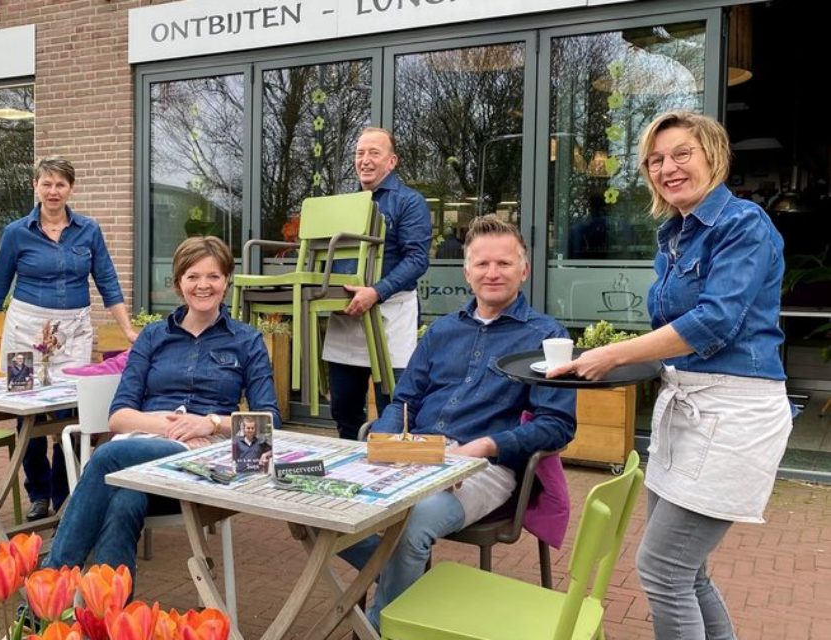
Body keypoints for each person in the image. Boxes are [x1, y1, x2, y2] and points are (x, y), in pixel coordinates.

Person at [548, 110, 792, 639]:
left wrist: (612, 355)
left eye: (682, 153)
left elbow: (714, 322)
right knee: (688, 571)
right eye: (655, 160)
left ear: (713, 154)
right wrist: (598, 367)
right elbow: (672, 337)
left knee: (662, 570)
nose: (667, 167)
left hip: (733, 413)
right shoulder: (672, 236)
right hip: (685, 411)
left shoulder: (743, 223)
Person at [340, 215, 576, 629]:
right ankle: (410, 580)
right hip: (414, 455)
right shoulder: (442, 331)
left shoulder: (545, 335)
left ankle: (381, 628)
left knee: (414, 522)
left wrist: (484, 446)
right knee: (313, 510)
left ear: (524, 270)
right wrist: (386, 436)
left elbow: (557, 424)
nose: (492, 273)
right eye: (482, 264)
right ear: (466, 272)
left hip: (484, 467)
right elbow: (405, 399)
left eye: (504, 263)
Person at [45, 236, 279, 575]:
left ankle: (51, 582)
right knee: (124, 500)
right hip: (144, 456)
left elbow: (270, 421)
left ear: (226, 281)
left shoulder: (247, 341)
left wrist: (209, 423)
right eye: (193, 276)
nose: (203, 285)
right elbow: (119, 416)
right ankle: (114, 620)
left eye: (213, 276)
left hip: (206, 462)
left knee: (107, 456)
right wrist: (176, 431)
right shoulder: (153, 337)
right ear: (178, 283)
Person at [0, 157, 139, 521]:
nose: (53, 191)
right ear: (36, 186)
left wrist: (128, 330)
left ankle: (64, 492)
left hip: (74, 332)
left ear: (71, 189)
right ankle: (37, 493)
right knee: (26, 410)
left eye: (60, 185)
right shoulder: (16, 233)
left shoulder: (89, 230)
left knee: (70, 412)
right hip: (25, 329)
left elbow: (108, 281)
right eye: (47, 184)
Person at [324, 127, 432, 441]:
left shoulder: (409, 202)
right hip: (347, 316)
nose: (365, 160)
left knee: (393, 409)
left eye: (374, 153)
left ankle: (390, 470)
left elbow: (416, 260)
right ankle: (349, 466)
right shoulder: (344, 203)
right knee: (343, 408)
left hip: (391, 316)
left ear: (392, 161)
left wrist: (376, 291)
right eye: (360, 153)